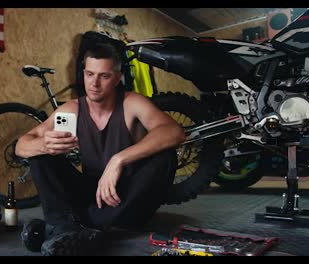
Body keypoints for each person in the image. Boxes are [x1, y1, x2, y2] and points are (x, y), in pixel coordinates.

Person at [15, 43, 186, 256]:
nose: (94, 83)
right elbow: (21, 145)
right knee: (39, 156)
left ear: (116, 78)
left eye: (104, 76)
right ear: (83, 74)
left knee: (165, 157)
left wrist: (118, 160)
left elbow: (174, 132)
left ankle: (71, 228)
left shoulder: (131, 103)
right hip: (92, 194)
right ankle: (65, 228)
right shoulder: (72, 109)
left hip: (125, 197)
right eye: (89, 74)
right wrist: (44, 144)